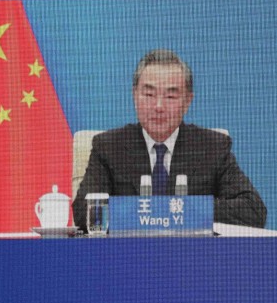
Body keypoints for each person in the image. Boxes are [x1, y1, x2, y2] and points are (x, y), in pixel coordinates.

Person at [72, 49, 266, 229]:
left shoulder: (212, 147)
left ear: (187, 101)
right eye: (149, 94)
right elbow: (84, 211)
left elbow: (253, 211)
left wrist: (180, 210)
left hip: (193, 258)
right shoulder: (108, 147)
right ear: (134, 96)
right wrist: (164, 210)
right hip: (127, 258)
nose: (158, 106)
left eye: (170, 97)